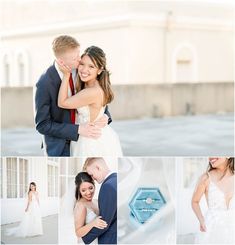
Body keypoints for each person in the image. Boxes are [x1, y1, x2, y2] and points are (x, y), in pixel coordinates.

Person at [35, 35, 112, 156]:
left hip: (88, 139)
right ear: (61, 61)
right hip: (59, 147)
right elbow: (42, 125)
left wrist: (105, 116)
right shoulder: (44, 83)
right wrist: (78, 129)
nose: (80, 60)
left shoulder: (81, 71)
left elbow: (97, 98)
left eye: (79, 54)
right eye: (76, 58)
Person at [57, 45, 122, 157]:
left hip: (89, 140)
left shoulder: (92, 92)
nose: (84, 70)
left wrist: (66, 75)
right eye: (82, 64)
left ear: (99, 70)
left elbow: (62, 103)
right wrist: (106, 116)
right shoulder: (97, 85)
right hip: (94, 134)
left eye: (91, 66)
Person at [192, 157, 235, 244]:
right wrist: (201, 220)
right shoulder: (206, 178)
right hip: (212, 229)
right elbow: (194, 201)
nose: (210, 156)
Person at [82, 157, 117, 244]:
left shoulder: (108, 186)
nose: (92, 179)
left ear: (98, 168)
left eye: (91, 175)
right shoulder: (117, 179)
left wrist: (84, 239)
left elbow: (104, 223)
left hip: (110, 240)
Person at [74, 172, 108, 244]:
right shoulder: (81, 205)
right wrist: (93, 223)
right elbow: (78, 233)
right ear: (79, 191)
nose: (88, 192)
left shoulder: (96, 201)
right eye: (83, 190)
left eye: (90, 188)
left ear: (94, 185)